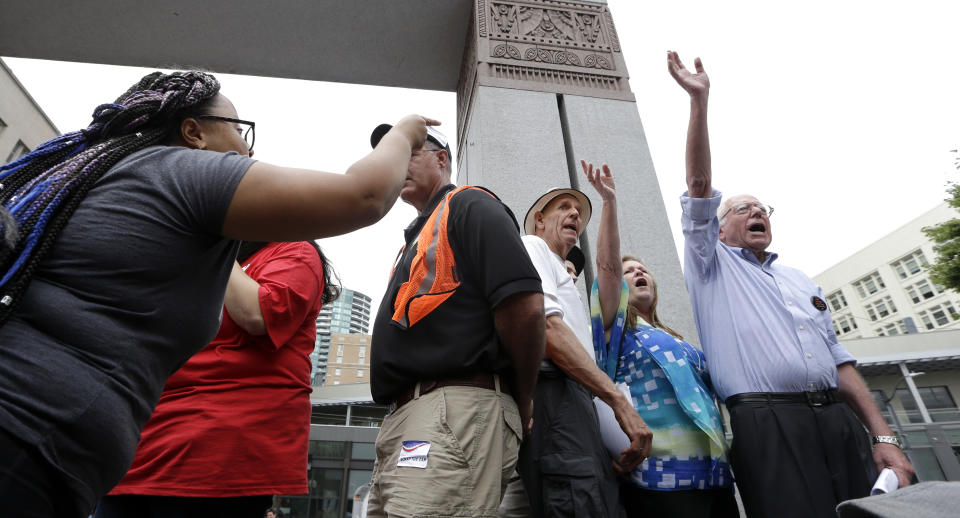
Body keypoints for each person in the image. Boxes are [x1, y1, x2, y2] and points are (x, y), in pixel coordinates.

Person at [0, 70, 436, 518]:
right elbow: (363, 196)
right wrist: (404, 132)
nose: (249, 149)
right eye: (238, 129)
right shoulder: (179, 172)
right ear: (194, 133)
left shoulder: (92, 181)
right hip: (32, 435)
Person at [668, 51, 915, 517]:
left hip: (837, 421)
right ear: (718, 230)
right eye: (743, 208)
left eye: (762, 208)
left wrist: (882, 437)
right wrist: (699, 101)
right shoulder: (711, 264)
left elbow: (839, 363)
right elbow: (699, 185)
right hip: (768, 423)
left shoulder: (801, 280)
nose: (757, 212)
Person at [365, 124, 545, 518]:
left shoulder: (469, 203)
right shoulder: (416, 235)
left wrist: (524, 393)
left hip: (454, 406)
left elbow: (525, 307)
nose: (396, 163)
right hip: (409, 414)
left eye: (408, 152)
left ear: (441, 159)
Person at [95, 239, 336, 517]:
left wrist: (219, 244)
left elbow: (259, 314)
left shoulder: (294, 250)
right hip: (141, 444)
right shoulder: (197, 261)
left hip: (215, 451)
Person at [583, 160, 737, 517]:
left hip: (715, 475)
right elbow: (606, 267)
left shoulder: (679, 339)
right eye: (629, 272)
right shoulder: (616, 329)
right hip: (659, 479)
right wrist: (609, 203)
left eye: (643, 269)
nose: (638, 272)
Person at [516, 182, 652, 517]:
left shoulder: (562, 274)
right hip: (555, 389)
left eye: (577, 211)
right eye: (563, 206)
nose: (574, 213)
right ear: (539, 220)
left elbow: (608, 272)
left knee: (592, 496)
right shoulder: (533, 246)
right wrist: (617, 400)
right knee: (578, 499)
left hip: (574, 400)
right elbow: (548, 329)